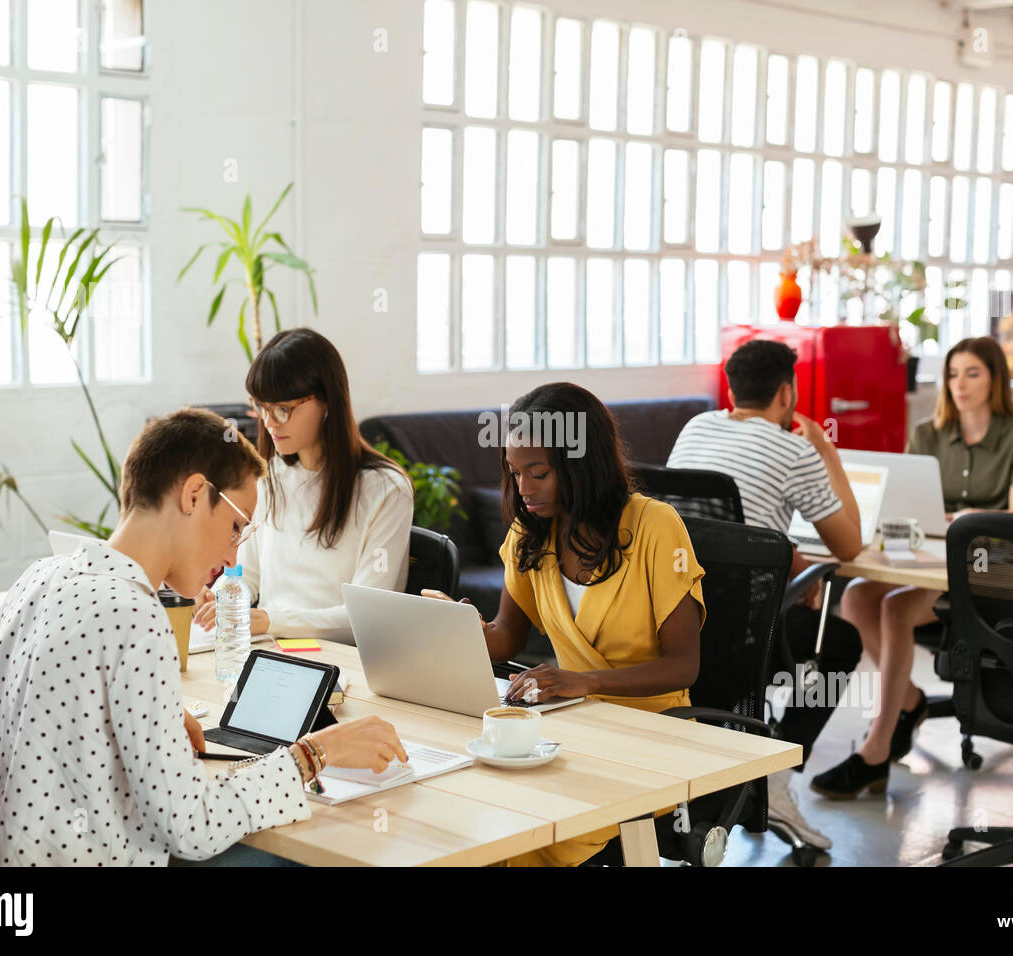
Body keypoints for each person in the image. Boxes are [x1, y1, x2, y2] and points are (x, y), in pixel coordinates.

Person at [0, 408, 407, 866]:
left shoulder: (38, 577)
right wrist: (314, 753)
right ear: (195, 495)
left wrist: (101, 725)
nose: (231, 554)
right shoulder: (138, 618)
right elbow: (191, 828)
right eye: (236, 526)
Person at [427, 382, 705, 866]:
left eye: (538, 473)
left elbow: (684, 666)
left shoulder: (656, 526)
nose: (523, 489)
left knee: (533, 830)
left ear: (581, 464)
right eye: (514, 474)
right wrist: (454, 625)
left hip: (655, 737)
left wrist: (584, 681)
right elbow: (504, 638)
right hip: (572, 731)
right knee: (475, 807)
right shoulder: (530, 533)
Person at [811, 335, 1013, 799]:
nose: (959, 384)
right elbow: (907, 503)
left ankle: (878, 748)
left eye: (973, 373)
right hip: (931, 554)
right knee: (858, 595)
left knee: (896, 608)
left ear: (995, 379)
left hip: (991, 562)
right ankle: (909, 701)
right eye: (953, 374)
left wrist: (968, 520)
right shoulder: (927, 433)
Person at [667, 338, 864, 851]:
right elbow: (850, 545)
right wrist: (825, 450)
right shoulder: (796, 449)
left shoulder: (696, 427)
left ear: (732, 388)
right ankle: (777, 772)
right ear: (786, 392)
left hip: (677, 618)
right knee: (840, 643)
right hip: (746, 632)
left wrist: (785, 562)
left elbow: (706, 532)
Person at [193, 328, 413, 644]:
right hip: (272, 649)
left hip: (339, 661)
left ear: (326, 401)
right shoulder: (267, 479)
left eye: (283, 409)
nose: (269, 422)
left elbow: (366, 616)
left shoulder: (386, 490)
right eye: (261, 407)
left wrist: (270, 620)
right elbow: (247, 576)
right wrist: (222, 599)